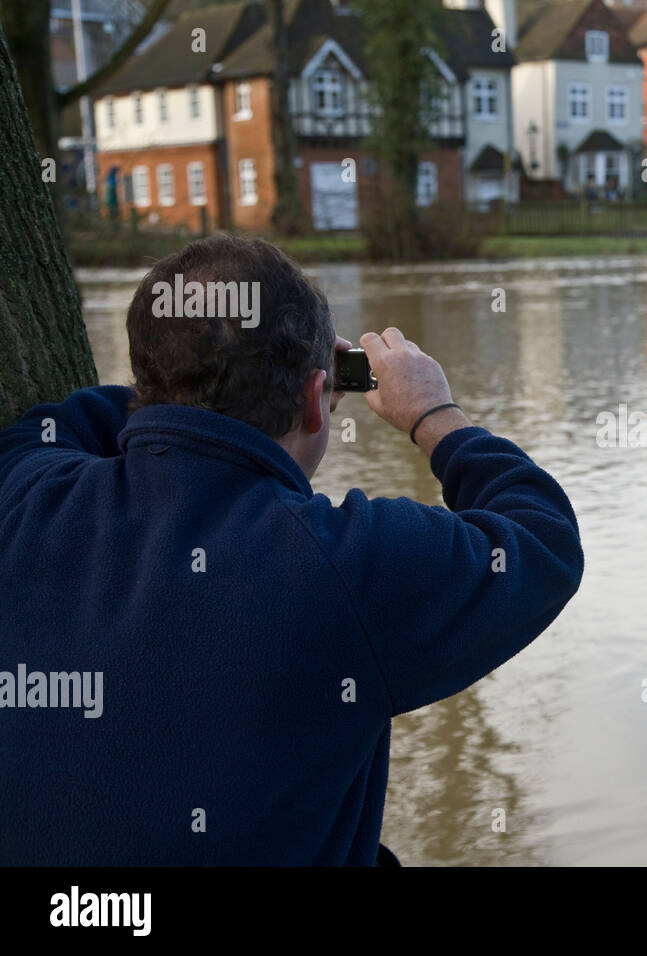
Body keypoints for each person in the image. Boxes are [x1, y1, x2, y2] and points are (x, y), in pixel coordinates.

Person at [0, 234, 584, 865]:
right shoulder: (344, 566)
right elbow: (541, 539)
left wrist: (180, 386)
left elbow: (59, 425)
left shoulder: (29, 496)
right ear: (317, 396)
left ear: (148, 380)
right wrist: (433, 414)